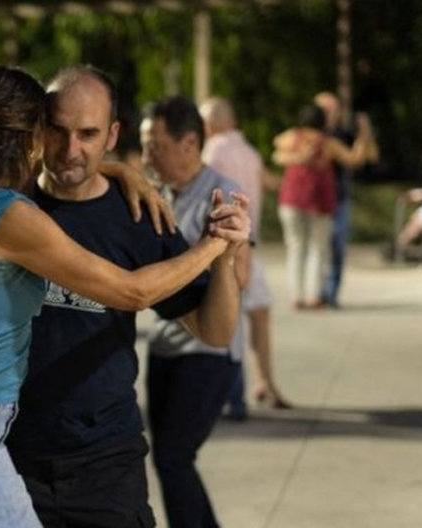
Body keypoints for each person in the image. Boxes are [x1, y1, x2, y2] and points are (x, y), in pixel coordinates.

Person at [0, 65, 250, 528]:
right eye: (58, 131)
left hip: (98, 464)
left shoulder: (135, 215)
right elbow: (132, 292)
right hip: (0, 447)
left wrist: (225, 258)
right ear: (35, 135)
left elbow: (216, 331)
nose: (72, 150)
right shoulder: (5, 204)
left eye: (89, 134)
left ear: (113, 135)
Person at [140, 95, 250, 528]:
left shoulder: (221, 193)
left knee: (173, 457)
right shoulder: (155, 192)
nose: (147, 155)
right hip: (165, 347)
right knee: (170, 459)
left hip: (207, 353)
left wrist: (211, 254)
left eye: (156, 145)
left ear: (189, 143)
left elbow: (239, 274)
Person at [199, 97, 291, 415]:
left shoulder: (213, 152)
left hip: (229, 247)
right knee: (260, 315)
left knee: (228, 320)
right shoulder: (250, 152)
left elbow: (205, 197)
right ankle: (266, 381)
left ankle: (232, 395)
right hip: (251, 244)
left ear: (211, 124)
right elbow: (268, 184)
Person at [272, 104, 373, 309]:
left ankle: (296, 297)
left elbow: (276, 148)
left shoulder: (292, 136)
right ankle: (314, 296)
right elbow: (353, 159)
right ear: (323, 122)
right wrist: (363, 135)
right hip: (320, 202)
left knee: (296, 247)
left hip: (291, 200)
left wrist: (295, 156)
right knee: (318, 249)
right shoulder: (328, 143)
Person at [313, 92, 379, 307]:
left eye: (333, 109)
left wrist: (364, 134)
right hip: (314, 200)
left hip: (338, 198)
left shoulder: (343, 134)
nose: (330, 114)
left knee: (337, 246)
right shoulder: (309, 133)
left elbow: (367, 157)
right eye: (325, 109)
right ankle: (316, 292)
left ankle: (329, 293)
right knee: (317, 249)